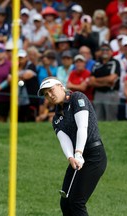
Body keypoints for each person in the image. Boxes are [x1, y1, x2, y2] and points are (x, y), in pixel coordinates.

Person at [37, 76, 107, 216]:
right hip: (77, 156)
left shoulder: (77, 97)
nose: (50, 95)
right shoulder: (56, 117)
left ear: (61, 86)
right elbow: (64, 140)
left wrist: (78, 153)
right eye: (46, 94)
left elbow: (83, 126)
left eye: (51, 90)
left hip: (94, 155)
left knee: (76, 202)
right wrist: (71, 157)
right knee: (65, 202)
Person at [89, 42, 121, 121]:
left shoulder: (115, 62)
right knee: (98, 118)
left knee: (111, 119)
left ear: (111, 51)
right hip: (98, 94)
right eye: (102, 49)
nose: (105, 51)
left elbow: (111, 79)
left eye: (107, 49)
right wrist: (106, 83)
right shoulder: (96, 64)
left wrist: (97, 80)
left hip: (111, 93)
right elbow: (91, 81)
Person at [17, 49, 40, 122]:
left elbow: (26, 75)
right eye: (18, 58)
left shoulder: (31, 65)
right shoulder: (14, 66)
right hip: (20, 98)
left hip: (31, 98)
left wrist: (16, 75)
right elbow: (9, 79)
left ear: (26, 57)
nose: (20, 60)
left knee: (30, 118)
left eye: (21, 57)